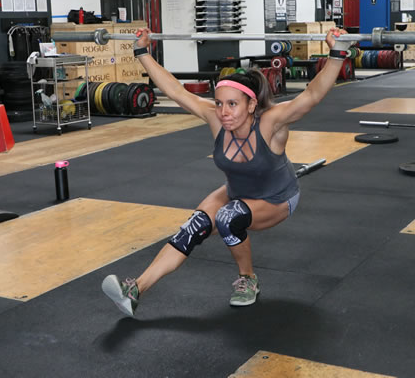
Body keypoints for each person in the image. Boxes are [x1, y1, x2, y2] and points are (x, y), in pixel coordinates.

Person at [102, 27, 352, 316]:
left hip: (277, 199)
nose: (223, 112)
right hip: (237, 194)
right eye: (219, 103)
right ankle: (135, 291)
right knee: (192, 228)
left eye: (232, 104)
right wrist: (142, 51)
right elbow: (175, 91)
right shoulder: (216, 120)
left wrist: (337, 53)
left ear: (251, 105)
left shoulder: (271, 124)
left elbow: (312, 95)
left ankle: (248, 280)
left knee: (228, 217)